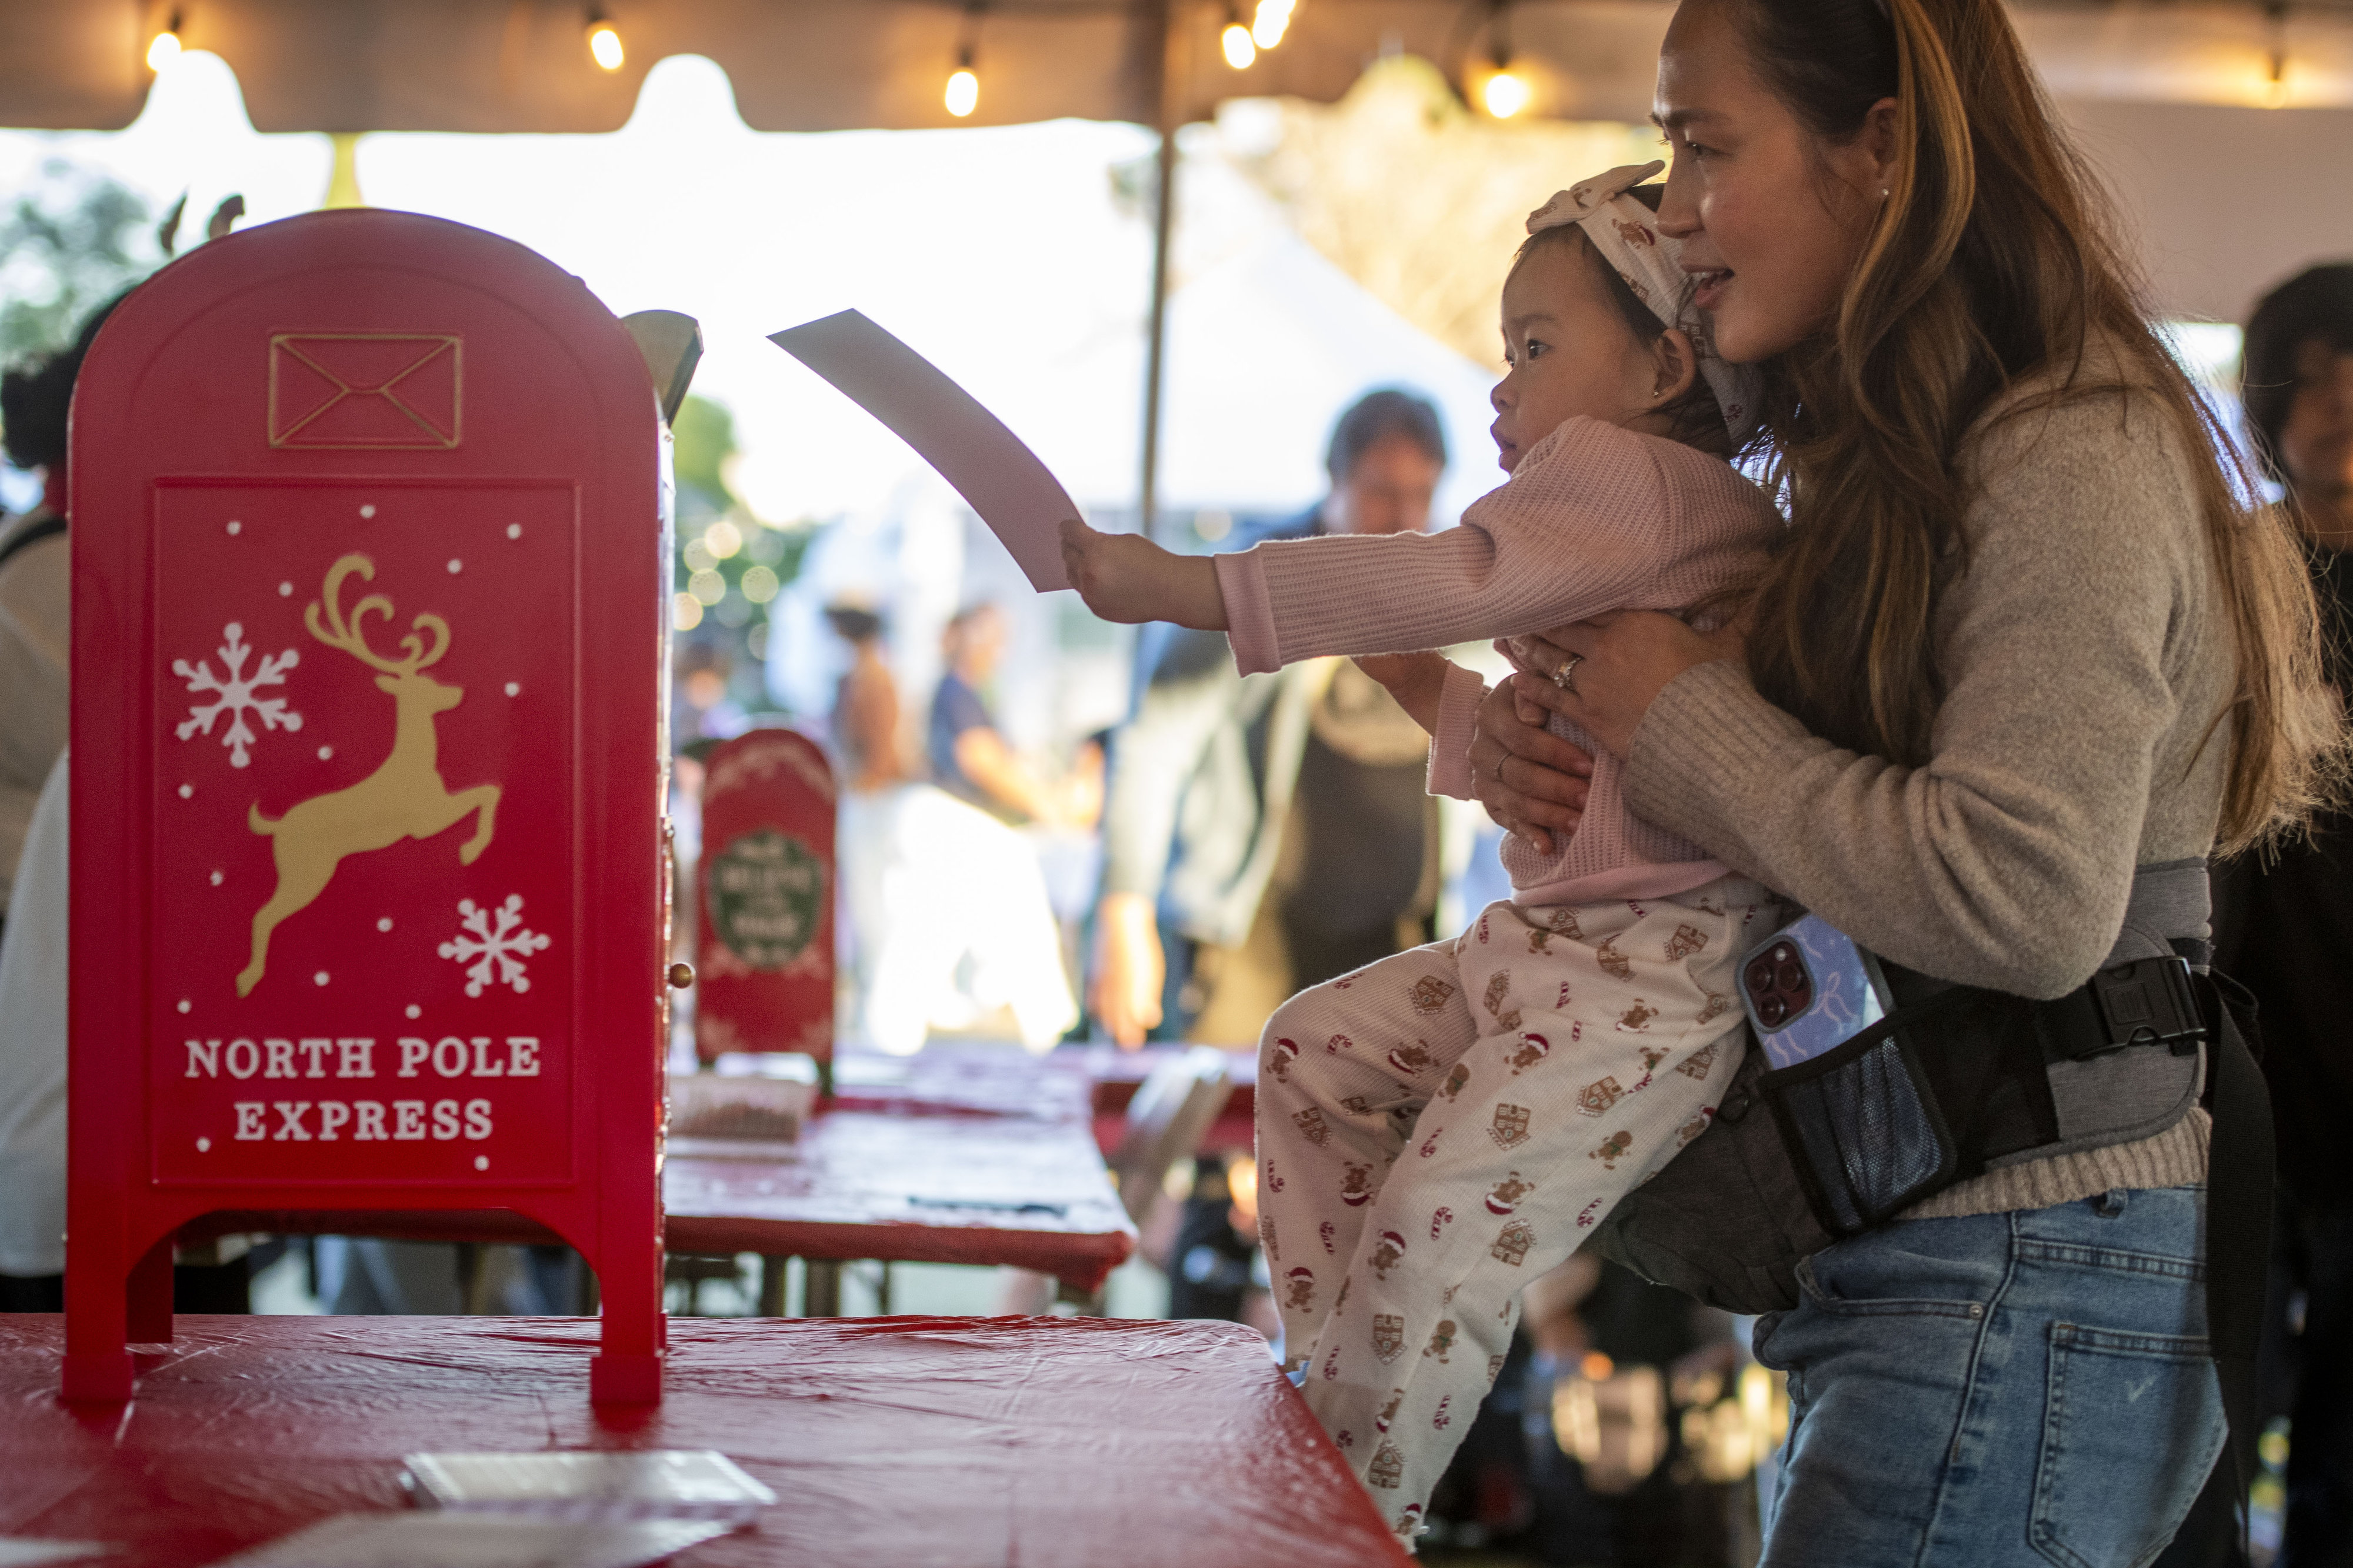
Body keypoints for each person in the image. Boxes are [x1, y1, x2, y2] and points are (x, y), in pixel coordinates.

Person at [1460, 2, 2336, 1563]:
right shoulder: (1885, 455)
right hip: (1942, 1242)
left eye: (1706, 144)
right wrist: (1574, 759)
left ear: (1881, 151)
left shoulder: (2064, 440)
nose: (1672, 206)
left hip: (2022, 1250)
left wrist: (1682, 720)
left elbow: (2023, 895)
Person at [1063, 162, 1779, 1539]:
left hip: (1641, 979)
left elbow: (1449, 572)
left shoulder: (1629, 477)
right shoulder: (1656, 523)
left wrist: (1187, 583)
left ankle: (1345, 1511)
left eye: (1531, 347)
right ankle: (1335, 1423)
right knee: (1310, 1050)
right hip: (1556, 948)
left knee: (1434, 1236)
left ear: (1661, 367)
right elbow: (1563, 775)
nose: (1499, 390)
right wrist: (1434, 695)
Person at [1091, 389, 1449, 1047]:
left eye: (1420, 494)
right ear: (1333, 478)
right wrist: (1123, 907)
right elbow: (1152, 743)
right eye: (1379, 491)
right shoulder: (1255, 578)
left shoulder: (1454, 590)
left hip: (1399, 936)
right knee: (1230, 1131)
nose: (1402, 518)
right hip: (1249, 938)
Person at [2214, 263, 2353, 1568]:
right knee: (2210, 1419)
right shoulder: (2239, 572)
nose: (2339, 403)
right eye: (2311, 376)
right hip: (2239, 1067)